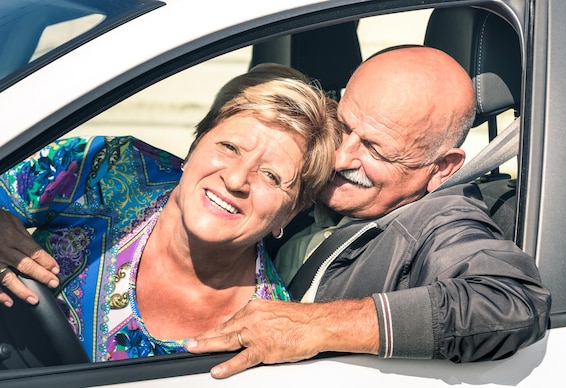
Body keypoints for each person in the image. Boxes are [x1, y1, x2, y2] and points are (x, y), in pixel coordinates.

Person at [184, 46, 551, 378]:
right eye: (343, 127)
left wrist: (318, 326)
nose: (341, 157)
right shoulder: (312, 174)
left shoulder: (441, 223)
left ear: (441, 168)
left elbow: (510, 304)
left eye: (376, 150)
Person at [0, 63, 340, 361]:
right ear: (193, 147)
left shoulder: (264, 331)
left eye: (271, 176)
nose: (236, 179)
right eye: (229, 147)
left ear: (289, 214)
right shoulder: (113, 168)